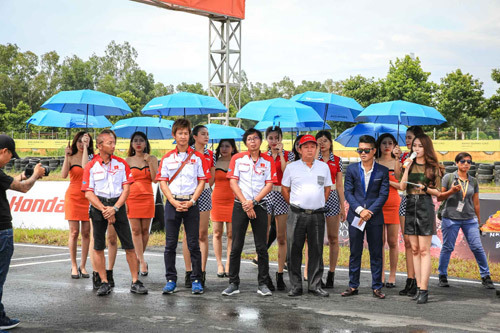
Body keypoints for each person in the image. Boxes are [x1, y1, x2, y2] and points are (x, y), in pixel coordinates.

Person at [82, 129, 148, 296]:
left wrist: (115, 208)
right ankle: (104, 281)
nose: (113, 145)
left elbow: (126, 188)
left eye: (114, 142)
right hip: (99, 207)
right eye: (109, 143)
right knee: (98, 246)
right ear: (99, 145)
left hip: (117, 205)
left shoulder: (121, 163)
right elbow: (88, 192)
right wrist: (104, 209)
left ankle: (135, 280)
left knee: (129, 245)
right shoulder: (91, 166)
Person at [156, 119, 210, 295]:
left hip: (191, 203)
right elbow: (162, 182)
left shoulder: (198, 158)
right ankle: (171, 279)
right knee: (170, 244)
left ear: (190, 136)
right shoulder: (166, 158)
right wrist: (172, 201)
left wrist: (192, 201)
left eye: (186, 133)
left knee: (193, 244)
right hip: (172, 204)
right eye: (180, 133)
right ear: (174, 135)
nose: (183, 136)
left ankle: (196, 279)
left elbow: (202, 181)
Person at [222, 128, 276, 296]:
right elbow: (233, 182)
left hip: (259, 205)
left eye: (256, 138)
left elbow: (269, 184)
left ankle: (263, 284)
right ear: (245, 143)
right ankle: (233, 283)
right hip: (240, 205)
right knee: (236, 246)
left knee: (261, 246)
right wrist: (246, 203)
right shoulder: (237, 159)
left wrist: (253, 202)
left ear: (261, 141)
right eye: (249, 139)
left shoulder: (267, 161)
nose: (253, 141)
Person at [0, 135, 45, 331]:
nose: (10, 160)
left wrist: (23, 176)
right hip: (1, 230)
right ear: (4, 151)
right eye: (10, 155)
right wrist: (35, 175)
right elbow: (24, 189)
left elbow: (11, 182)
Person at [282, 135, 332, 297]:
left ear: (316, 149)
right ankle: (296, 286)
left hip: (317, 214)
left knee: (316, 250)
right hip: (297, 213)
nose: (310, 149)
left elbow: (327, 189)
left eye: (313, 146)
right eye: (306, 147)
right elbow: (284, 189)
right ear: (299, 149)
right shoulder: (292, 167)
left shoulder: (323, 167)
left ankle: (314, 285)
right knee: (293, 250)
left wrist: (317, 203)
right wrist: (295, 204)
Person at [341, 135, 389, 300]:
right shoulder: (353, 169)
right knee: (355, 251)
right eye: (360, 150)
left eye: (366, 150)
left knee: (376, 253)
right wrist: (360, 210)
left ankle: (377, 287)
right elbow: (348, 192)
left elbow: (383, 195)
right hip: (356, 216)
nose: (362, 153)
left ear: (374, 151)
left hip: (374, 218)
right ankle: (353, 285)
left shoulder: (382, 171)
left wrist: (370, 212)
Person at [437, 152, 494, 289]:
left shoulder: (473, 181)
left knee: (477, 247)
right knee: (448, 247)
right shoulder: (449, 178)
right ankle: (442, 275)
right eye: (462, 161)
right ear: (456, 163)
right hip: (451, 218)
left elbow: (476, 203)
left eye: (469, 162)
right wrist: (451, 191)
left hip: (469, 219)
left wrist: (479, 222)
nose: (466, 164)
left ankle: (485, 276)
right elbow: (439, 197)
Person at [400, 133, 443, 304]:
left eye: (420, 146)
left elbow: (438, 192)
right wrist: (405, 168)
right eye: (414, 146)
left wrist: (425, 188)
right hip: (410, 204)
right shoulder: (409, 165)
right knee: (414, 249)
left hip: (425, 205)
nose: (416, 149)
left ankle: (424, 289)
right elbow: (402, 186)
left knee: (424, 250)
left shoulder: (433, 167)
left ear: (426, 147)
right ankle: (418, 287)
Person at [182, 125, 215, 288]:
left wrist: (202, 186)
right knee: (188, 234)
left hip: (205, 193)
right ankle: (189, 272)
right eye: (203, 134)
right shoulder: (187, 152)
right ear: (194, 136)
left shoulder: (210, 155)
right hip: (188, 194)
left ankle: (200, 272)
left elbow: (212, 178)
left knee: (202, 234)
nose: (206, 136)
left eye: (208, 134)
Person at [316, 130, 346, 289]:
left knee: (333, 238)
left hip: (333, 196)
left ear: (330, 143)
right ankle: (317, 273)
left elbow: (340, 185)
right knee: (318, 238)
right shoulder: (314, 160)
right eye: (319, 141)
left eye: (325, 141)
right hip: (318, 197)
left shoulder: (337, 161)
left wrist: (343, 206)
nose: (322, 144)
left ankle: (332, 273)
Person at [61, 131, 93, 279]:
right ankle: (73, 265)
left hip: (88, 196)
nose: (81, 144)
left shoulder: (93, 157)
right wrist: (66, 156)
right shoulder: (71, 156)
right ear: (75, 142)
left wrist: (86, 148)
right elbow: (63, 175)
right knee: (74, 232)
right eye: (79, 141)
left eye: (84, 141)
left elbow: (86, 166)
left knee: (86, 233)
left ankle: (83, 265)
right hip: (73, 196)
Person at [125, 131, 158, 277]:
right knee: (135, 231)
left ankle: (139, 258)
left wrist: (150, 161)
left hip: (148, 197)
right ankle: (141, 260)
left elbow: (155, 179)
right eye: (135, 141)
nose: (138, 143)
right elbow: (123, 182)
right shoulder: (127, 161)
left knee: (145, 231)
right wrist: (123, 200)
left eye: (141, 140)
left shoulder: (152, 158)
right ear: (132, 144)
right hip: (131, 197)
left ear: (146, 143)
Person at [263, 126, 291, 291]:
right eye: (271, 138)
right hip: (266, 195)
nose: (274, 141)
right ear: (267, 139)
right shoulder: (262, 156)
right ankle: (264, 275)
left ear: (281, 139)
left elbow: (286, 172)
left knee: (281, 237)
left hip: (282, 194)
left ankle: (280, 273)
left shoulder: (288, 155)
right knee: (264, 237)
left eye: (277, 138)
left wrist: (280, 154)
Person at [397, 125, 424, 297]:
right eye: (406, 138)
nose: (407, 141)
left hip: (420, 202)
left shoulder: (424, 158)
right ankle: (410, 279)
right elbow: (399, 179)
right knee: (407, 243)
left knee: (418, 246)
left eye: (410, 138)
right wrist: (398, 159)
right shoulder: (406, 156)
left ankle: (421, 283)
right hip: (405, 200)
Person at [375, 133, 402, 288]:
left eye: (390, 143)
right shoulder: (375, 162)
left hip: (393, 203)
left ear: (394, 145)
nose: (387, 146)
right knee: (379, 242)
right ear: (379, 145)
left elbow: (401, 183)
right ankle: (381, 274)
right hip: (378, 204)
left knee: (392, 242)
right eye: (384, 143)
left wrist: (398, 159)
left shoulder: (398, 162)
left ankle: (392, 274)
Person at [211, 139, 238, 277]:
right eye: (221, 146)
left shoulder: (237, 161)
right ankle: (219, 264)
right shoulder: (214, 162)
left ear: (233, 148)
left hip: (233, 200)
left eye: (227, 146)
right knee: (217, 232)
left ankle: (228, 263)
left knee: (231, 234)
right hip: (217, 199)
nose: (224, 148)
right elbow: (210, 182)